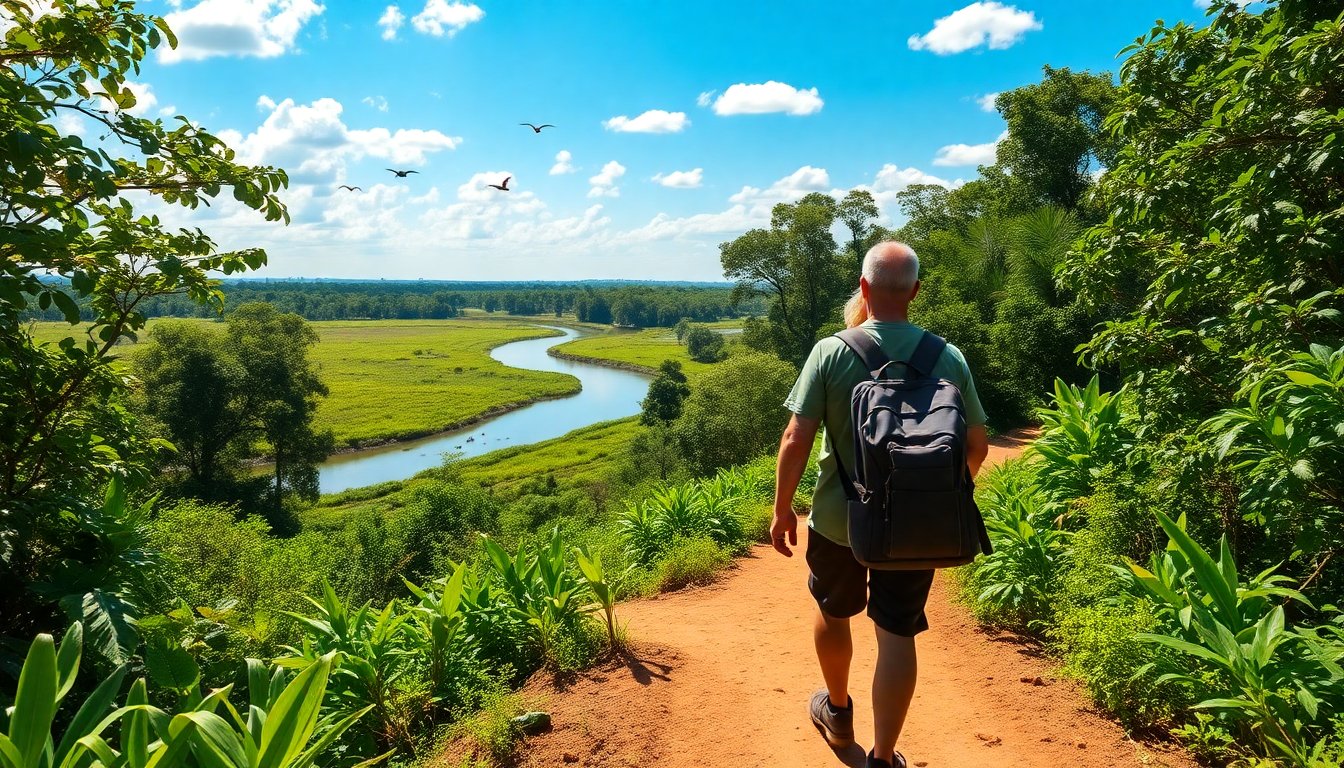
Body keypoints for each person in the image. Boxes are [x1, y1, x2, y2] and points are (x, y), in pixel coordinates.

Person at [772, 242, 989, 768]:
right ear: (915, 291)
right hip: (913, 530)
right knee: (897, 634)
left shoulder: (831, 351)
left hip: (838, 521)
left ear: (863, 289)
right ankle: (885, 756)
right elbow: (977, 445)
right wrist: (934, 500)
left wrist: (783, 509)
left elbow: (796, 437)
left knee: (833, 610)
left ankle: (838, 712)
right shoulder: (946, 356)